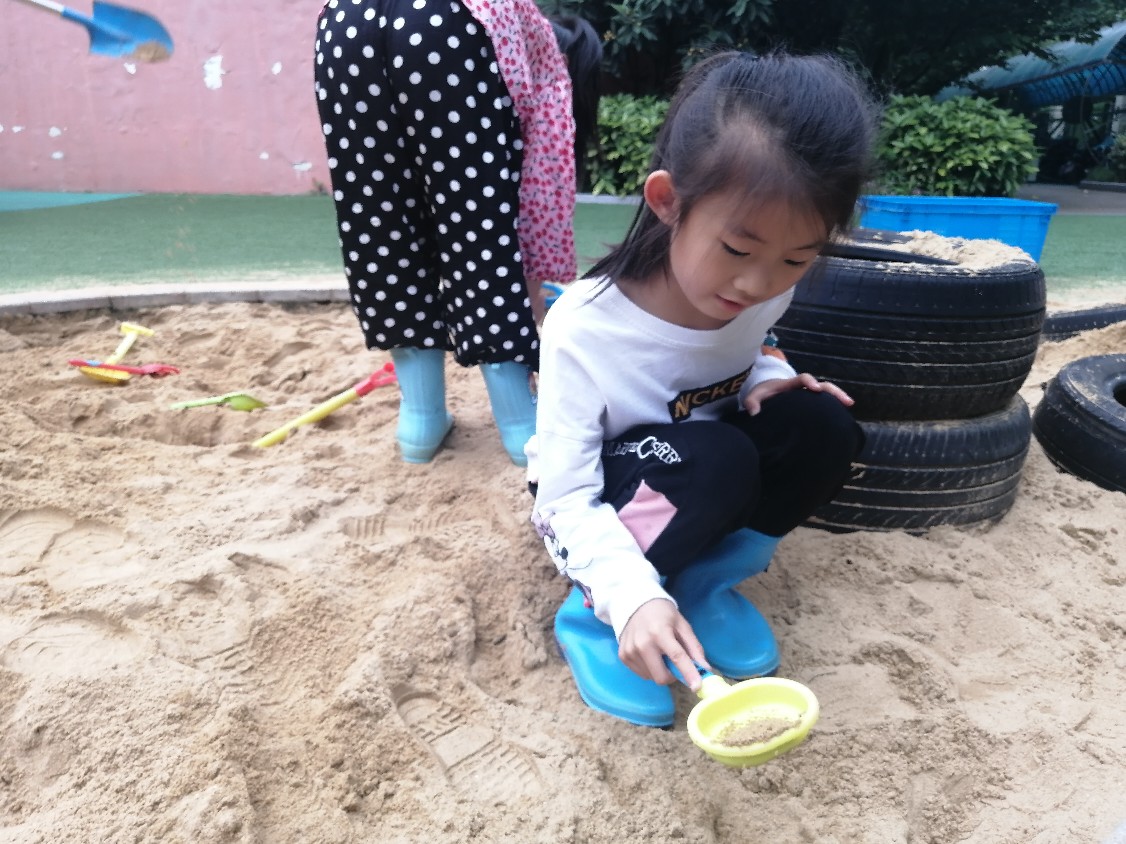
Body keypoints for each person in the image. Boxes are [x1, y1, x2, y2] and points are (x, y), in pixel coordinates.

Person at [528, 50, 879, 727]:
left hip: (703, 463)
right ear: (668, 201)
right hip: (604, 494)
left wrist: (772, 378)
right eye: (739, 250)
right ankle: (593, 617)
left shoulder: (761, 291)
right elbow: (564, 498)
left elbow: (753, 349)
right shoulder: (585, 328)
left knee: (822, 426)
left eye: (797, 258)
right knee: (715, 459)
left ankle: (702, 582)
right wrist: (628, 596)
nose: (758, 284)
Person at [313, 0, 601, 465]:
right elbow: (534, 202)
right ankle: (518, 422)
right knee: (479, 223)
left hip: (346, 20)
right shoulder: (539, 46)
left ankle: (420, 420)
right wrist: (528, 304)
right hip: (448, 20)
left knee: (380, 223)